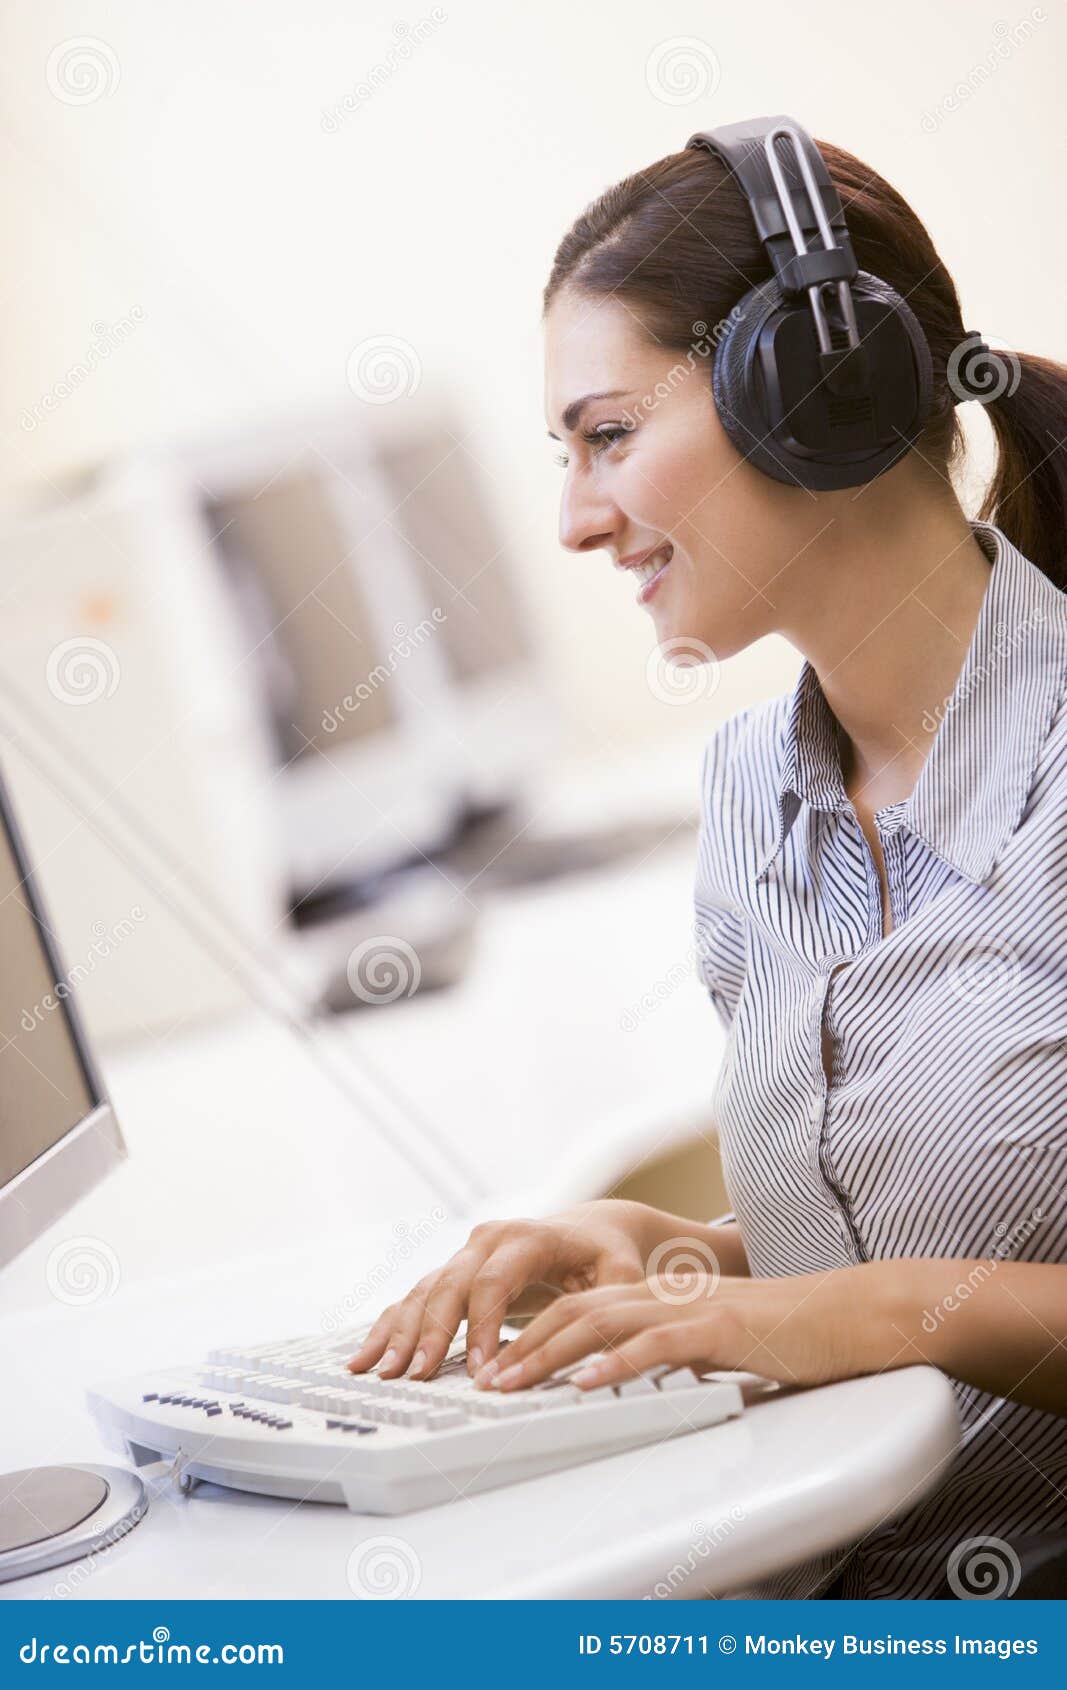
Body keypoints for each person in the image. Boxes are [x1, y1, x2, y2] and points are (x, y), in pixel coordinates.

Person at [349, 128, 1067, 1599]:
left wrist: (849, 1314)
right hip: (820, 1576)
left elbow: (896, 1299)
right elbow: (959, 1210)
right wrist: (684, 1262)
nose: (574, 518)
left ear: (818, 387)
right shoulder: (751, 794)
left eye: (608, 436)